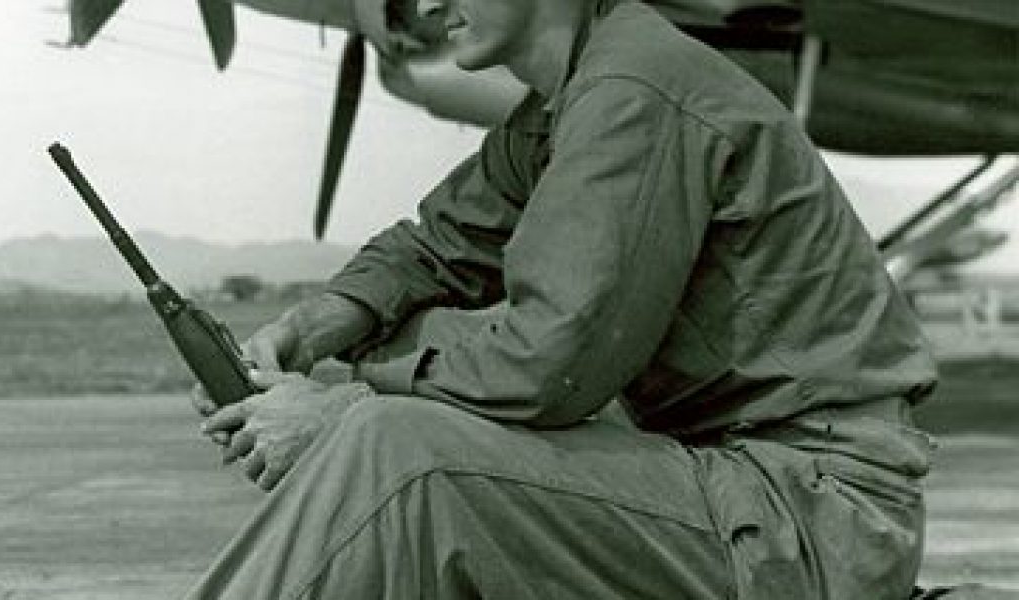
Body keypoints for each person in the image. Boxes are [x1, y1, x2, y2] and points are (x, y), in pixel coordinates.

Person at [187, 0, 938, 597]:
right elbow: (437, 244)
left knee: (400, 452)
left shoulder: (633, 89)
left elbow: (551, 362)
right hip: (741, 487)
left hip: (808, 520)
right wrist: (310, 329)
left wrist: (340, 405)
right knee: (403, 411)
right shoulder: (570, 102)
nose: (421, 4)